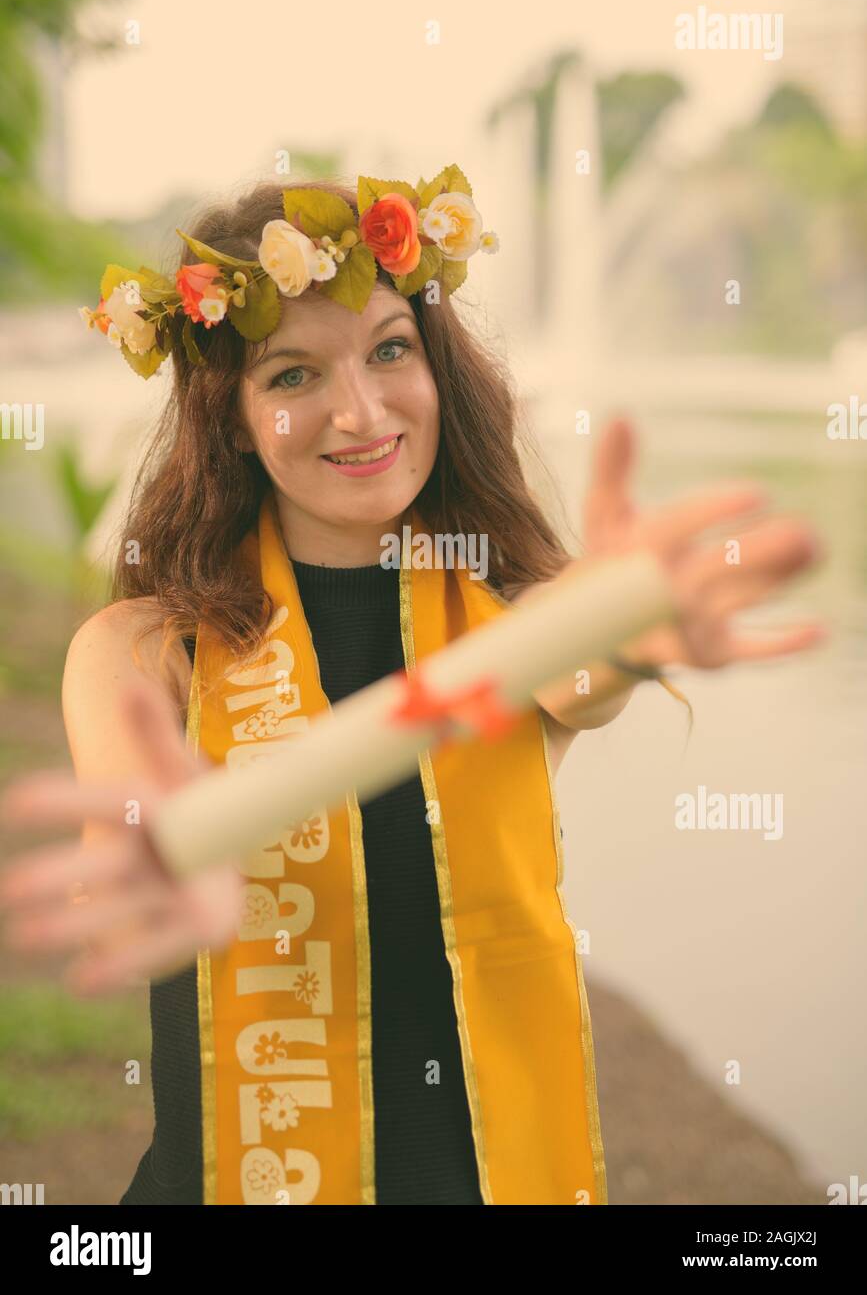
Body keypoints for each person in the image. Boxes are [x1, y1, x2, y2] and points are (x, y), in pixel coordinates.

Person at [0, 167, 823, 1206]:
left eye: (391, 350)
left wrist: (628, 630)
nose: (359, 410)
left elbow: (577, 677)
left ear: (438, 369)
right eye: (292, 376)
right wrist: (148, 863)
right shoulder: (145, 649)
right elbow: (113, 855)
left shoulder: (507, 616)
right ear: (233, 420)